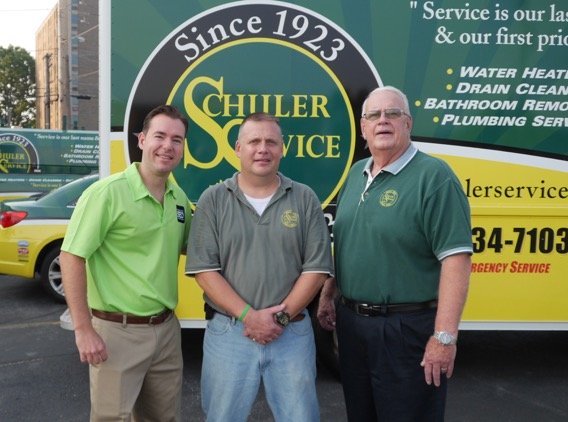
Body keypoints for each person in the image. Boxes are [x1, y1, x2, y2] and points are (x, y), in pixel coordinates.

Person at [317, 86, 473, 421]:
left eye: (393, 113)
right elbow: (349, 240)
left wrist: (444, 338)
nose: (383, 120)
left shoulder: (435, 177)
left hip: (405, 330)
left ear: (408, 123)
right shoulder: (357, 174)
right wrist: (330, 292)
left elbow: (456, 260)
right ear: (363, 128)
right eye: (374, 115)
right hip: (353, 327)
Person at [186, 112, 333, 422]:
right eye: (254, 141)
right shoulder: (213, 200)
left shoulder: (304, 198)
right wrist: (249, 316)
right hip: (229, 334)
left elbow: (317, 269)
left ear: (283, 148)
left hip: (291, 333)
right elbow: (204, 271)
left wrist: (280, 318)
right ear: (238, 148)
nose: (262, 149)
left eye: (271, 142)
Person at [60, 104, 192, 421]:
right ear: (142, 140)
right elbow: (72, 256)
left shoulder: (179, 199)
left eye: (177, 140)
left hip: (166, 332)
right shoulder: (106, 193)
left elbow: (196, 250)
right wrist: (83, 329)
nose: (168, 146)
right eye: (159, 136)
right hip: (116, 333)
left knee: (164, 418)